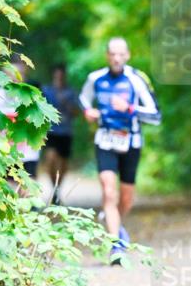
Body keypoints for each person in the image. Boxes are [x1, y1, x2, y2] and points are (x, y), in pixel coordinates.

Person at [79, 37, 161, 264]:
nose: (116, 58)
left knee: (126, 199)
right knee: (108, 192)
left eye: (120, 54)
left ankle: (114, 221)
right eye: (112, 54)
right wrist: (89, 112)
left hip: (131, 142)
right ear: (107, 56)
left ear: (127, 55)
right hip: (104, 140)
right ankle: (116, 246)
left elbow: (156, 115)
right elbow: (83, 100)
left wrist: (130, 109)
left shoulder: (136, 79)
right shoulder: (95, 79)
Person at [0, 58, 42, 195]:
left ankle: (28, 212)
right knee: (7, 189)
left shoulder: (32, 96)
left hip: (27, 152)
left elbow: (39, 123)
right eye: (9, 75)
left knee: (27, 188)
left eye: (18, 75)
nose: (13, 79)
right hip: (4, 152)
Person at [41, 63, 78, 205]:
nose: (59, 79)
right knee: (50, 159)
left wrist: (68, 105)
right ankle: (54, 187)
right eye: (57, 76)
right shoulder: (47, 91)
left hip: (66, 132)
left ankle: (57, 189)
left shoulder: (70, 92)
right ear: (53, 76)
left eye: (61, 76)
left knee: (63, 164)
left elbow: (76, 113)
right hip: (51, 131)